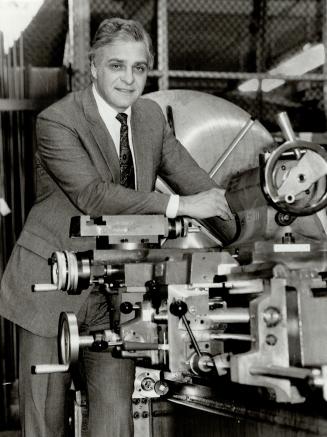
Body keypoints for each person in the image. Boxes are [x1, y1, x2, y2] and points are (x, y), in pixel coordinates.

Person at [0, 17, 232, 437]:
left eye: (139, 68)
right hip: (51, 285)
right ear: (93, 66)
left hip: (118, 289)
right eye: (116, 66)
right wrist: (179, 206)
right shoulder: (58, 120)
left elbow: (200, 185)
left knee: (114, 422)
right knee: (44, 421)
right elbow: (93, 195)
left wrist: (250, 226)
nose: (129, 79)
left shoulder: (150, 118)